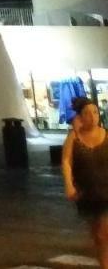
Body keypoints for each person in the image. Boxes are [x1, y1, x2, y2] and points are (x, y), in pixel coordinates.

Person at [64, 95, 108, 268]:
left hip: (107, 190)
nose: (93, 116)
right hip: (87, 192)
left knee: (105, 231)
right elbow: (66, 161)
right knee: (98, 235)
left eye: (95, 112)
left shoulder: (106, 135)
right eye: (88, 113)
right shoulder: (74, 137)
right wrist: (69, 184)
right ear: (80, 117)